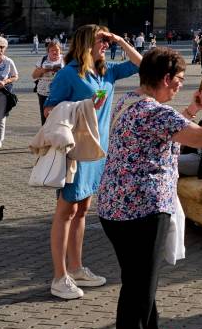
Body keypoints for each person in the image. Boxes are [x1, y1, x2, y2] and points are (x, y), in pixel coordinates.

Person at [96, 47, 202, 329]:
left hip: (113, 205)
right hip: (144, 208)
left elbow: (169, 125)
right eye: (179, 80)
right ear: (165, 78)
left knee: (136, 275)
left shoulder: (130, 101)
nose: (181, 84)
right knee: (139, 282)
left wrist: (193, 108)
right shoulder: (157, 114)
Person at [44, 25, 141, 301]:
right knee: (66, 210)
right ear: (86, 41)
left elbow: (143, 65)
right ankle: (59, 276)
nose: (106, 45)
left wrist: (122, 39)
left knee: (83, 209)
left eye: (108, 41)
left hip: (98, 151)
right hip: (76, 150)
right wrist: (83, 107)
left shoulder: (106, 71)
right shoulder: (68, 73)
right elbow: (49, 108)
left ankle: (76, 268)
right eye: (102, 39)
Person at [33, 39, 66, 122]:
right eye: (52, 50)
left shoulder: (65, 60)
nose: (55, 52)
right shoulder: (43, 59)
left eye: (57, 50)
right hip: (44, 92)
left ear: (61, 50)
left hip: (60, 93)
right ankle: (46, 134)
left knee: (60, 119)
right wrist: (42, 70)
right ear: (48, 51)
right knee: (45, 118)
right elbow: (34, 76)